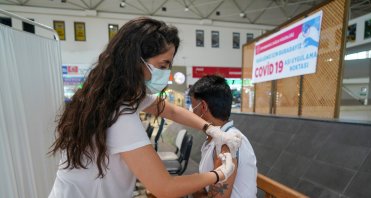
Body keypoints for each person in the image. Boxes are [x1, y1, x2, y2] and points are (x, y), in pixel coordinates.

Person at [48, 17, 242, 198]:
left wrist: (210, 129)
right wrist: (220, 173)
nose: (166, 73)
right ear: (134, 61)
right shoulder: (119, 115)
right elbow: (165, 187)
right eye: (163, 65)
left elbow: (172, 110)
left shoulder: (113, 95)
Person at [189, 75, 258, 198]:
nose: (191, 112)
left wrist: (197, 189)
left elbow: (217, 195)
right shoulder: (216, 139)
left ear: (203, 107)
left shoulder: (228, 141)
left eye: (192, 106)